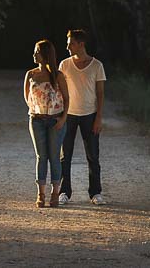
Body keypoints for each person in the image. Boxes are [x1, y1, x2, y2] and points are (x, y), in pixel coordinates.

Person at [58, 28, 106, 205]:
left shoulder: (97, 66)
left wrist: (99, 117)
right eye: (68, 43)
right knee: (65, 156)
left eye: (71, 43)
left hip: (90, 115)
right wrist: (59, 114)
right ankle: (64, 192)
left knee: (93, 155)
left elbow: (100, 93)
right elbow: (59, 90)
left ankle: (95, 193)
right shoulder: (64, 65)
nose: (68, 46)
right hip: (68, 114)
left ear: (81, 44)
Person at [23, 39, 69, 208]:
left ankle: (55, 193)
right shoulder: (31, 74)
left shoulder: (57, 75)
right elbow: (27, 97)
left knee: (54, 157)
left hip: (56, 119)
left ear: (45, 54)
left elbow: (67, 98)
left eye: (37, 51)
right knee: (41, 156)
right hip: (36, 120)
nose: (34, 54)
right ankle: (40, 193)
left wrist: (63, 118)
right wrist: (36, 112)